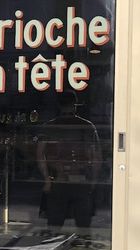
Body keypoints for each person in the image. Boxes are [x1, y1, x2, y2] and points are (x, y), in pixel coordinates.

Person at [35, 91, 101, 235]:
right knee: (83, 226)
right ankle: (83, 244)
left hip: (58, 178)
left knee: (54, 225)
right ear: (75, 105)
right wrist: (94, 181)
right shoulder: (87, 126)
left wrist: (47, 179)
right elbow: (96, 157)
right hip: (81, 179)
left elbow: (40, 154)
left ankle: (53, 244)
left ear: (59, 105)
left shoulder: (49, 127)